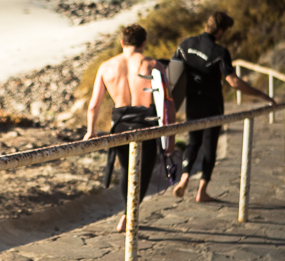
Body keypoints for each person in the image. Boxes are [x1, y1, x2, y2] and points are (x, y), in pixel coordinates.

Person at [171, 12, 274, 203]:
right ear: (221, 31)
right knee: (210, 146)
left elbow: (172, 73)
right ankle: (202, 191)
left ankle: (184, 177)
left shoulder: (185, 44)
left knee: (193, 141)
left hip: (192, 103)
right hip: (212, 105)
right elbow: (233, 82)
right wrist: (261, 95)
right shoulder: (220, 52)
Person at [83, 24, 174, 232]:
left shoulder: (106, 66)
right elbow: (168, 103)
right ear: (144, 43)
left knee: (126, 169)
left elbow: (94, 104)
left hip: (121, 124)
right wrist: (170, 135)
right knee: (145, 171)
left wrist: (91, 130)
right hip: (147, 125)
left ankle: (127, 213)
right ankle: (128, 214)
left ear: (122, 42)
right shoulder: (154, 65)